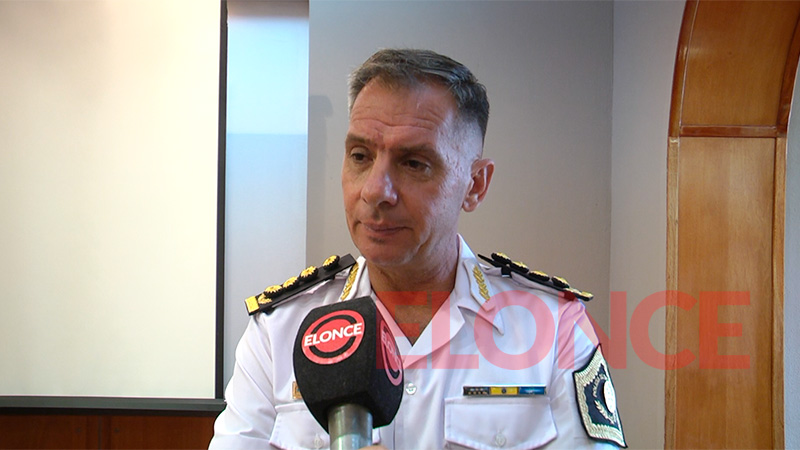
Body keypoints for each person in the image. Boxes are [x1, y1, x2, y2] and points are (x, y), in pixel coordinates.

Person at [209, 48, 625, 449]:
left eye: (413, 164)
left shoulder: (554, 328)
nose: (375, 190)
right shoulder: (280, 331)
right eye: (360, 156)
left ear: (475, 185)